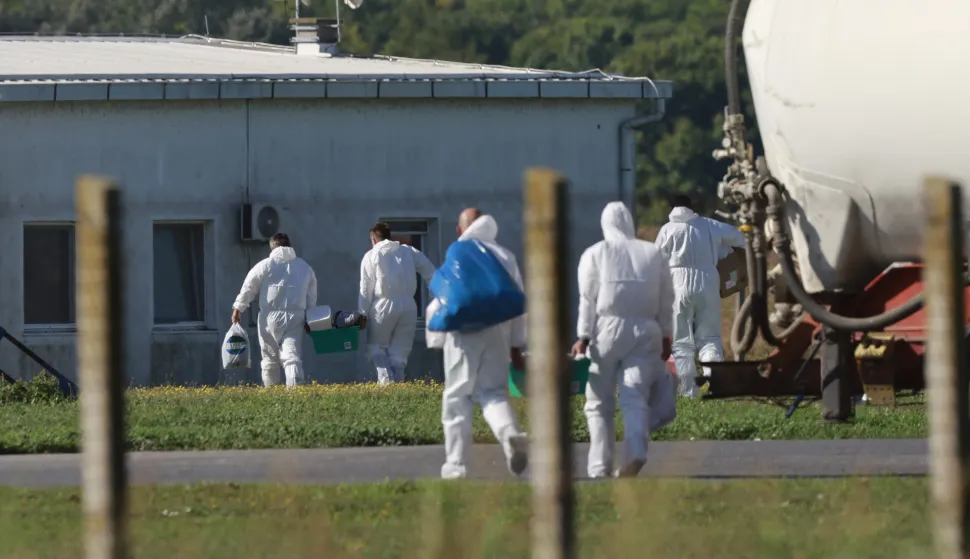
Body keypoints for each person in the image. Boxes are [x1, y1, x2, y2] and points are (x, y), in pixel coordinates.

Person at [572, 201, 676, 479]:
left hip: (606, 329)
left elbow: (587, 299)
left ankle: (599, 465)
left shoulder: (596, 253)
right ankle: (636, 451)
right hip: (646, 330)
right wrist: (666, 334)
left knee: (598, 401)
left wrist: (583, 336)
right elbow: (667, 299)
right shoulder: (654, 253)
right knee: (635, 395)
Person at [435, 208, 529, 479]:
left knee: (458, 397)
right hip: (498, 331)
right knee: (494, 393)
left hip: (463, 334)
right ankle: (510, 436)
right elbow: (518, 304)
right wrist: (517, 345)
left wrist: (437, 336)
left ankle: (456, 466)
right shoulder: (505, 256)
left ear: (460, 229)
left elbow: (446, 297)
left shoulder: (457, 252)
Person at [654, 194, 745, 398]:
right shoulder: (710, 225)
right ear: (691, 207)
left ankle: (688, 391)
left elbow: (655, 260)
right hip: (707, 283)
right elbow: (739, 237)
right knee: (709, 338)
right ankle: (716, 385)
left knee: (681, 342)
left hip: (676, 286)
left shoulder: (667, 230)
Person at [231, 233, 318, 388]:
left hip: (268, 318)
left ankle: (271, 392)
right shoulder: (305, 267)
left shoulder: (265, 265)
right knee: (292, 357)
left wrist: (238, 308)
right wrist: (310, 319)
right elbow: (311, 296)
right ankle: (296, 392)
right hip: (295, 317)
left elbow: (249, 287)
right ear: (289, 245)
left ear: (272, 247)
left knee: (269, 359)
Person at [358, 222, 437, 385]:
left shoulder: (372, 255)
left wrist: (362, 313)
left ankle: (386, 384)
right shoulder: (408, 251)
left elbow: (366, 287)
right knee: (400, 351)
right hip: (409, 306)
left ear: (373, 239)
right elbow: (431, 272)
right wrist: (434, 298)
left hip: (383, 305)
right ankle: (398, 385)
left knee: (376, 347)